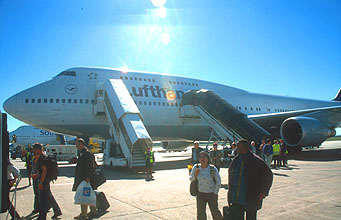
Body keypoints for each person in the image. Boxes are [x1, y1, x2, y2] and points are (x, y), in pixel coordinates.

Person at [228, 139, 273, 220]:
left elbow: (268, 175)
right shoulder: (236, 160)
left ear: (245, 148)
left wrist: (264, 191)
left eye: (239, 148)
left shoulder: (256, 160)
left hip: (251, 195)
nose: (237, 149)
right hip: (236, 196)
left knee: (251, 216)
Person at [190, 151, 223, 220]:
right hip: (200, 193)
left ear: (207, 159)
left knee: (215, 212)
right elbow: (191, 179)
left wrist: (215, 192)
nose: (202, 159)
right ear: (199, 159)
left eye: (204, 157)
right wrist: (195, 175)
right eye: (201, 157)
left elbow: (218, 181)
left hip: (211, 193)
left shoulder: (212, 168)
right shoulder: (196, 167)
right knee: (200, 213)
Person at [33, 143, 62, 220]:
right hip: (46, 179)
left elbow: (44, 171)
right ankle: (57, 211)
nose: (34, 152)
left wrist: (41, 182)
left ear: (38, 149)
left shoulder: (41, 158)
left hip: (44, 180)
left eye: (35, 150)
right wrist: (37, 175)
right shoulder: (44, 157)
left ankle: (42, 217)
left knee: (43, 199)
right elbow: (41, 170)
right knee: (48, 196)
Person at [72, 138, 97, 220]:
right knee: (88, 195)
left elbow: (90, 166)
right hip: (83, 178)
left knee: (84, 196)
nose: (76, 146)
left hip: (85, 178)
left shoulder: (87, 154)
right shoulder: (82, 153)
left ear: (82, 144)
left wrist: (87, 177)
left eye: (78, 145)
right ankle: (93, 211)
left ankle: (83, 214)